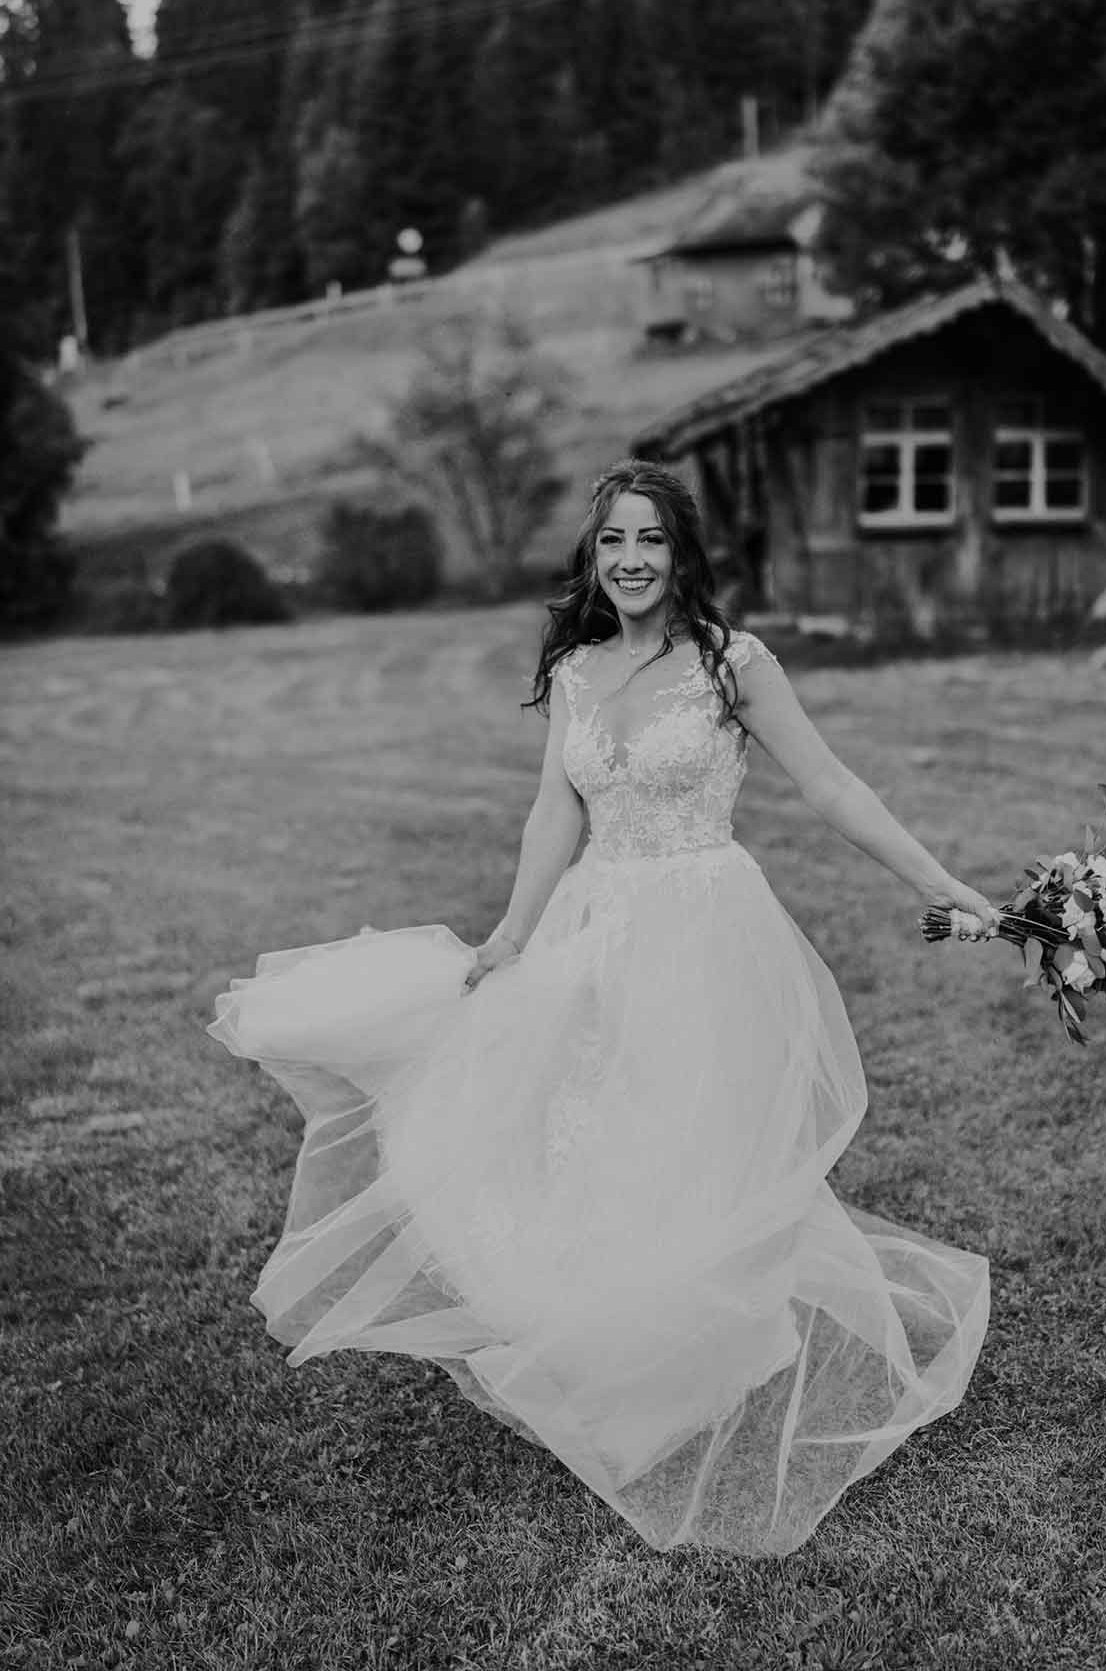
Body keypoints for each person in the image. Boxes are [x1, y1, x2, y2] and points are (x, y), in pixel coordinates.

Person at [208, 458, 999, 1558]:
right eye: (612, 542)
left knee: (691, 1134)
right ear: (593, 556)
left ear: (682, 556)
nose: (629, 561)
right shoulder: (577, 670)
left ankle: (695, 1346)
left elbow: (830, 786)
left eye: (650, 542)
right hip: (591, 927)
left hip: (705, 926)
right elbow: (551, 813)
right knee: (584, 1132)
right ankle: (618, 1348)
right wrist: (508, 936)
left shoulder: (732, 663)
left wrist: (941, 886)